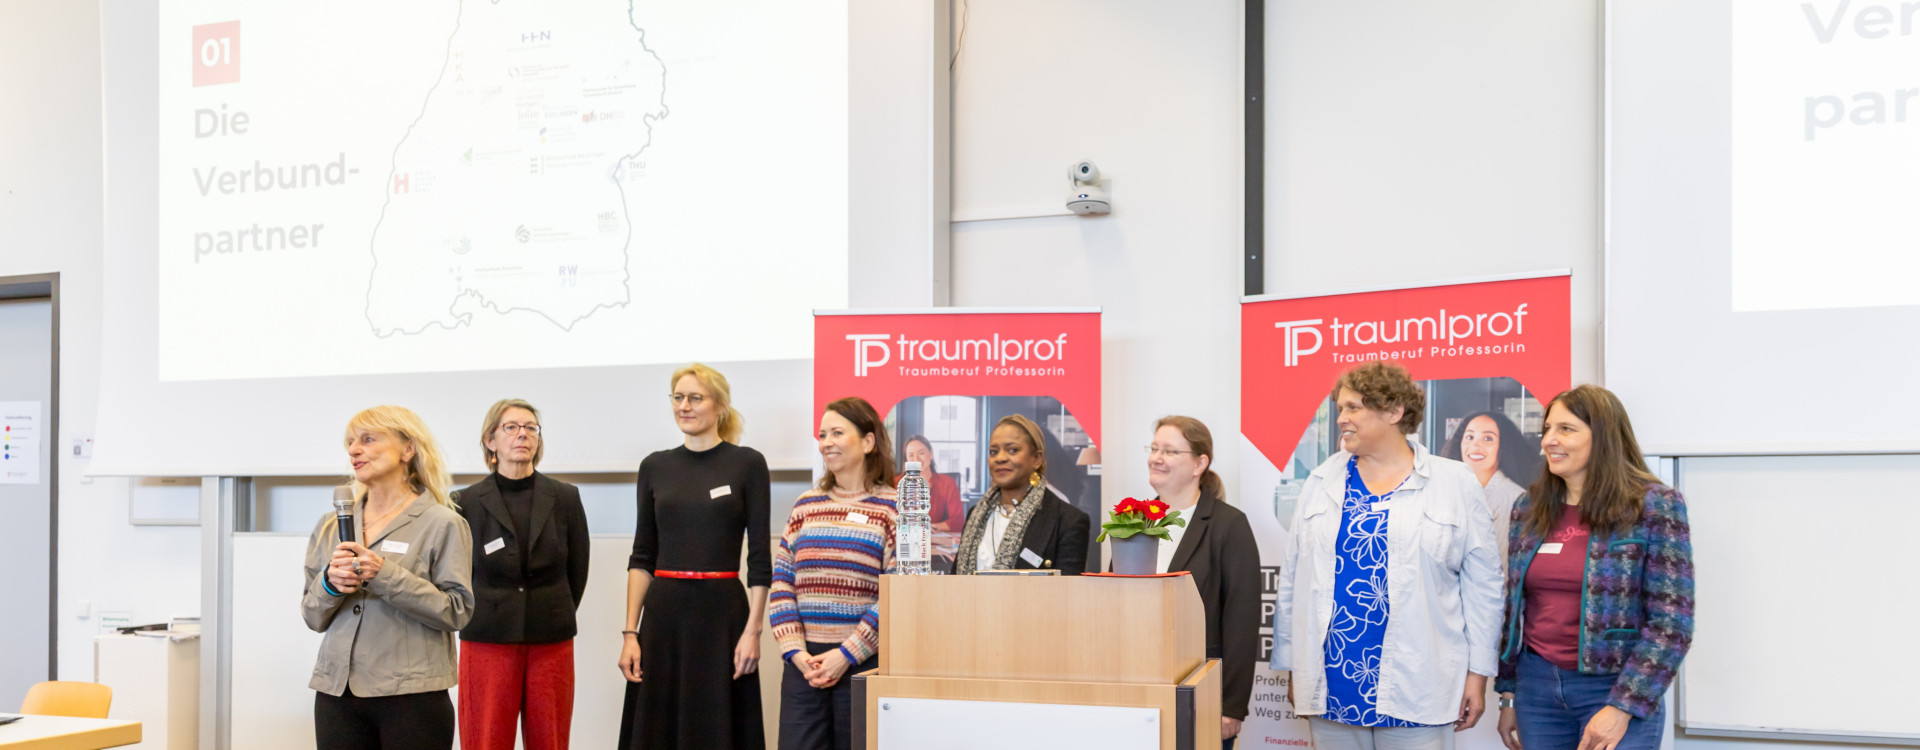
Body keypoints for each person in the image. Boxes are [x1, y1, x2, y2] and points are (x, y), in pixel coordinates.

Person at [1271, 362, 1503, 750]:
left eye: (1353, 408)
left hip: (1419, 683)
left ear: (1394, 412)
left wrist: (1478, 674)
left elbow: (1484, 587)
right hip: (1332, 684)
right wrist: (1297, 667)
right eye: (1340, 408)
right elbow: (1293, 581)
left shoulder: (1453, 482)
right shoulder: (1319, 482)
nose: (1341, 418)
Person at [1494, 385, 1693, 750]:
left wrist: (1622, 706)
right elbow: (1514, 608)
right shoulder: (1529, 506)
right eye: (1547, 430)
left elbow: (1671, 623)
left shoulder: (1653, 505)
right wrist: (1508, 694)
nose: (1549, 441)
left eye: (1566, 429)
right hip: (1536, 689)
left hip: (1614, 685)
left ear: (1603, 436)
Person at [617, 364, 771, 750]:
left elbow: (760, 558)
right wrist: (630, 634)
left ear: (719, 405)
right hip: (664, 616)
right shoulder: (654, 466)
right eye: (678, 397)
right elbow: (642, 556)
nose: (685, 406)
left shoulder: (748, 464)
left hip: (722, 616)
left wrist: (753, 631)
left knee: (718, 727)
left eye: (695, 398)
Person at [302, 406, 473, 750]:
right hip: (337, 693)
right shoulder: (331, 524)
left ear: (407, 449)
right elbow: (311, 614)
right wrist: (329, 585)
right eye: (350, 442)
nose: (353, 450)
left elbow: (457, 611)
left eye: (367, 439)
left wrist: (386, 575)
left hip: (411, 698)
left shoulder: (442, 522)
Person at [453, 399, 591, 750]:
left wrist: (550, 609)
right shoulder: (465, 501)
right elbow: (458, 572)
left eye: (531, 427)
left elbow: (578, 570)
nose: (522, 435)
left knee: (551, 740)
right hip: (487, 637)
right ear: (490, 440)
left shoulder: (565, 498)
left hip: (551, 638)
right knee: (486, 740)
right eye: (511, 427)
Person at [770, 396, 898, 750]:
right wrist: (796, 652)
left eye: (837, 433)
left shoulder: (894, 509)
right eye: (823, 435)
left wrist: (847, 654)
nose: (826, 442)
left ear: (868, 441)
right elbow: (782, 584)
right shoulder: (806, 505)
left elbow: (896, 594)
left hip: (862, 665)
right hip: (803, 668)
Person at [1145, 416, 1261, 750]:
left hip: (1200, 697)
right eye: (1154, 448)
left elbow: (1241, 621)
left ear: (1200, 463)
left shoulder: (1228, 525)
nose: (1156, 457)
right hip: (1140, 692)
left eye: (1169, 450)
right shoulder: (1134, 520)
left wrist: (1231, 706)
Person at [948, 414, 1091, 575]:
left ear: (1037, 459)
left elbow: (1067, 595)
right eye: (993, 451)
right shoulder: (976, 514)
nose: (1000, 458)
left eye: (1013, 450)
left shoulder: (1067, 521)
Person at [1442, 410, 1539, 555]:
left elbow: (1501, 565)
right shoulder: (1448, 490)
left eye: (1487, 439)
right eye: (1469, 437)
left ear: (1503, 446)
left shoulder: (1513, 499)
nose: (1475, 445)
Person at [902, 435, 965, 531]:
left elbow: (957, 522)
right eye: (911, 455)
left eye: (921, 453)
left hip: (935, 540)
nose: (916, 459)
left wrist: (926, 528)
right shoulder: (895, 484)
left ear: (931, 454)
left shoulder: (948, 483)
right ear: (906, 460)